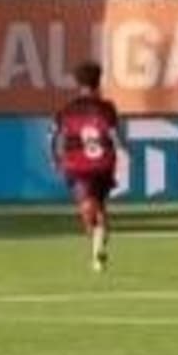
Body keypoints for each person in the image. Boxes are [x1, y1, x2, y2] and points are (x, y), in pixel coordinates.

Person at [51, 62, 123, 273]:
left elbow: (52, 135)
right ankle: (98, 249)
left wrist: (54, 157)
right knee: (98, 207)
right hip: (103, 164)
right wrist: (124, 150)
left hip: (77, 164)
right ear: (99, 82)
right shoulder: (107, 108)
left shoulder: (67, 109)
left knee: (87, 207)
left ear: (77, 83)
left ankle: (96, 244)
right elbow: (114, 135)